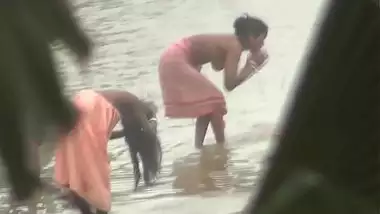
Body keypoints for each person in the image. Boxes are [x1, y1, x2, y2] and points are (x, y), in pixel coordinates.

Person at [158, 13, 269, 148]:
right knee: (215, 101)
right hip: (177, 59)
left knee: (207, 105)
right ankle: (221, 145)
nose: (262, 44)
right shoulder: (234, 45)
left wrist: (249, 65)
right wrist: (251, 67)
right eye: (262, 40)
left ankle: (200, 147)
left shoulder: (230, 42)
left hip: (175, 56)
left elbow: (217, 66)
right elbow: (229, 84)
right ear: (252, 37)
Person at [54, 89, 162, 214]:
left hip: (78, 103)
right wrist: (153, 124)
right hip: (91, 106)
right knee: (96, 173)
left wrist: (125, 133)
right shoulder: (134, 104)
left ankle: (83, 201)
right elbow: (146, 133)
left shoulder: (121, 100)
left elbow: (98, 134)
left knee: (78, 165)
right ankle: (98, 207)